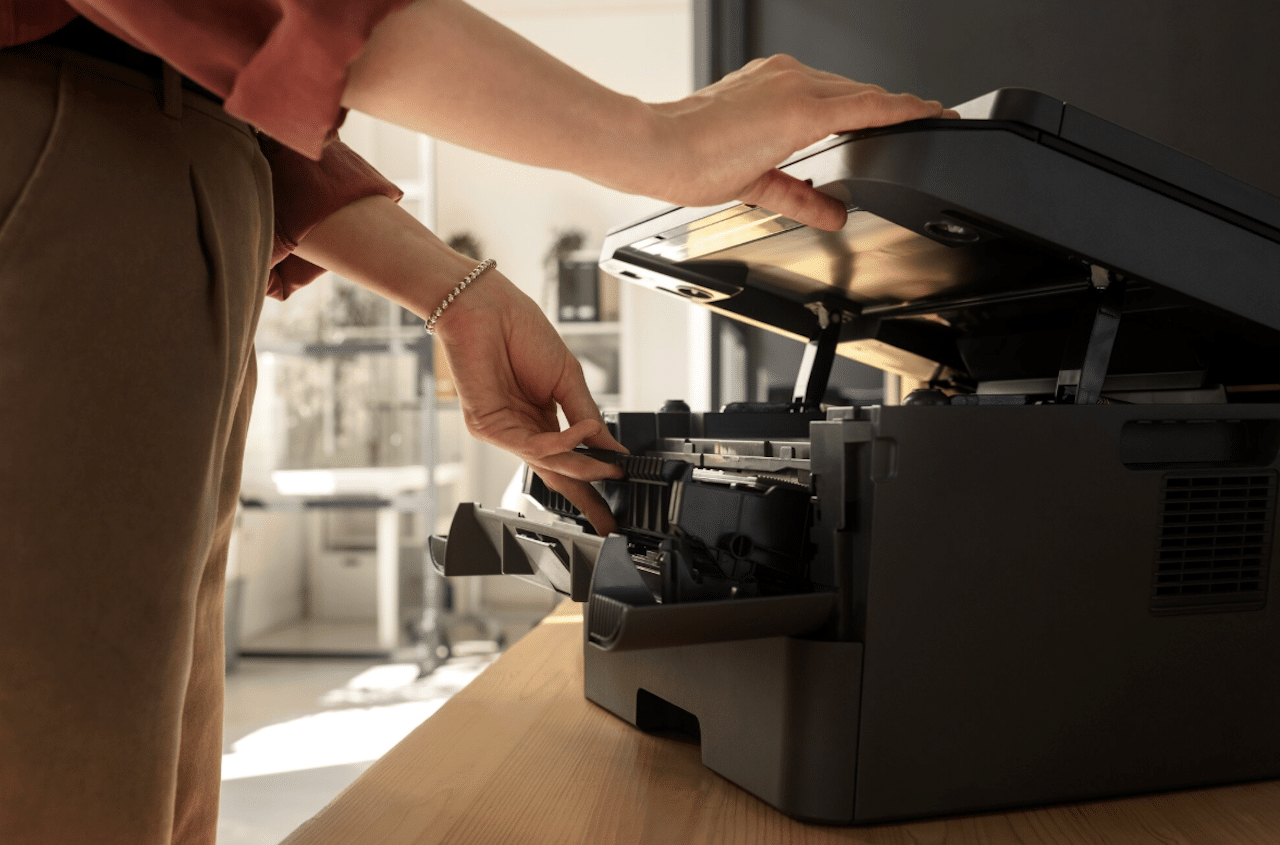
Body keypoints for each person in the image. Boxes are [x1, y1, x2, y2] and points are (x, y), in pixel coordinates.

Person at [0, 2, 951, 843]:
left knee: (152, 801)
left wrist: (456, 291)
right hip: (73, 155)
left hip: (181, 177)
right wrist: (653, 139)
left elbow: (230, 94)